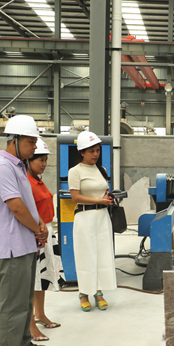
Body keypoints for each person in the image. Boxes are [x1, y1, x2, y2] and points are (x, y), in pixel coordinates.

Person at [0, 115, 49, 346]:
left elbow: (27, 204)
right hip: (11, 246)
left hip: (24, 244)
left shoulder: (19, 166)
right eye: (31, 142)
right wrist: (37, 228)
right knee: (12, 303)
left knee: (23, 300)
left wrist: (39, 225)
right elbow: (16, 207)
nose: (35, 146)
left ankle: (23, 344)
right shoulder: (1, 167)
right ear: (14, 140)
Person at [68, 131, 116, 311]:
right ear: (81, 152)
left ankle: (98, 292)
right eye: (91, 151)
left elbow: (104, 190)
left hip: (102, 217)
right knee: (85, 255)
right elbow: (75, 197)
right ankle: (83, 293)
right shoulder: (75, 171)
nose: (95, 154)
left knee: (102, 254)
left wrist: (107, 197)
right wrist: (99, 201)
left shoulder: (101, 170)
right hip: (85, 217)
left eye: (97, 150)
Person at [26, 138, 64, 340]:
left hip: (47, 230)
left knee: (42, 279)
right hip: (35, 234)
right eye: (40, 160)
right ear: (28, 160)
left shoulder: (38, 180)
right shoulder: (25, 181)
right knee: (32, 280)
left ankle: (40, 314)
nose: (44, 164)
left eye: (46, 160)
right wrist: (38, 232)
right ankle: (30, 324)